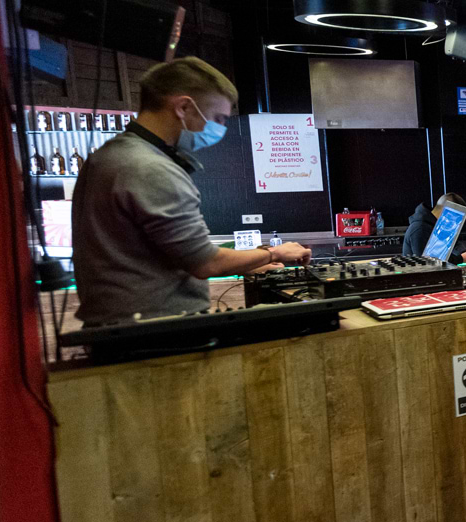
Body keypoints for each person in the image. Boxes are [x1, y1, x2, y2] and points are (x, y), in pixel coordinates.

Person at [71, 57, 311, 326]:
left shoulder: (110, 156)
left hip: (123, 325)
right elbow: (206, 263)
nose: (220, 129)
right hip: (153, 331)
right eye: (218, 118)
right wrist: (274, 253)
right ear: (184, 107)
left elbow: (171, 252)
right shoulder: (150, 167)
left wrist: (250, 260)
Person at [400, 192, 466, 262]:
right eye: (453, 218)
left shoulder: (438, 225)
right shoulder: (419, 229)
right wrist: (461, 258)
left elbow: (453, 244)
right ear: (446, 211)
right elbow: (427, 262)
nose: (454, 223)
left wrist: (465, 252)